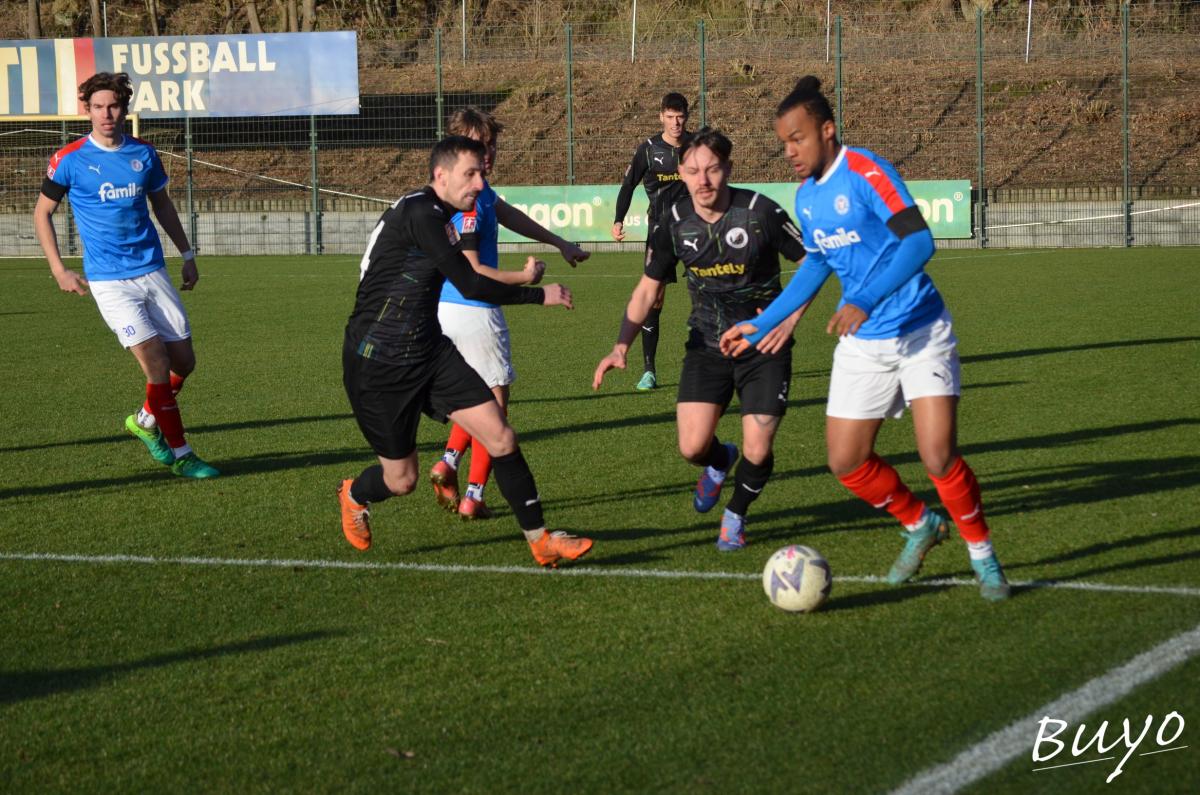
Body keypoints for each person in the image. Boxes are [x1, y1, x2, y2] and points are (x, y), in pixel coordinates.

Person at [720, 76, 1010, 601]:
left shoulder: (865, 170)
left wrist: (864, 298)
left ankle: (982, 554)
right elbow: (817, 265)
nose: (790, 150)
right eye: (783, 142)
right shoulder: (806, 198)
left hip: (920, 329)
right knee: (846, 461)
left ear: (827, 130)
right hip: (864, 342)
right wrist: (760, 324)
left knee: (938, 455)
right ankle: (920, 524)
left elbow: (919, 242)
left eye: (798, 138)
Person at [339, 135, 592, 568]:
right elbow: (472, 283)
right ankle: (354, 494)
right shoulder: (423, 212)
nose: (479, 183)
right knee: (402, 481)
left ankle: (540, 540)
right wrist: (538, 294)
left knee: (500, 436)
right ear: (440, 175)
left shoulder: (444, 210)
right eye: (470, 174)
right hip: (377, 361)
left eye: (482, 173)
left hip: (428, 351)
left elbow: (487, 235)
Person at [593, 128, 809, 551]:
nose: (703, 180)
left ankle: (735, 515)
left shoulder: (760, 212)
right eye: (693, 171)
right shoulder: (674, 221)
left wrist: (784, 320)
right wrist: (621, 345)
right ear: (681, 172)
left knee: (759, 447)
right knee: (693, 447)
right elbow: (647, 290)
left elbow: (815, 261)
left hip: (763, 348)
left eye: (712, 169)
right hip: (707, 345)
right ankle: (720, 460)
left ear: (728, 168)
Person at [32, 71, 218, 479]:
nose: (106, 114)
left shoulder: (144, 154)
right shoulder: (70, 159)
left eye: (113, 106)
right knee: (155, 363)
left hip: (152, 270)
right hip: (109, 281)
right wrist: (59, 269)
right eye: (98, 107)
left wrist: (187, 254)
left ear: (125, 108)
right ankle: (182, 455)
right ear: (87, 110)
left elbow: (163, 206)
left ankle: (145, 421)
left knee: (183, 363)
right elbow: (42, 213)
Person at [429, 107, 590, 520]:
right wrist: (526, 277)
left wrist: (559, 242)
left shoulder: (473, 193)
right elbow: (474, 269)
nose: (490, 154)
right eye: (481, 147)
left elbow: (509, 214)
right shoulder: (468, 205)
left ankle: (447, 462)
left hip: (446, 309)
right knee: (496, 413)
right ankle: (474, 496)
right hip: (475, 312)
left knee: (474, 400)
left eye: (492, 146)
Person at [611, 92, 693, 392]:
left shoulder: (696, 146)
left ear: (686, 116)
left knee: (709, 284)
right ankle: (649, 371)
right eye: (670, 116)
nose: (676, 122)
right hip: (660, 231)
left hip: (695, 229)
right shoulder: (647, 149)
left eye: (680, 116)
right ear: (661, 117)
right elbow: (628, 185)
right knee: (654, 297)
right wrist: (618, 219)